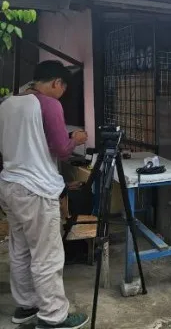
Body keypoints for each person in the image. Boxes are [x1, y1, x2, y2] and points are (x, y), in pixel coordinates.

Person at [0, 60, 89, 328]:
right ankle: (53, 316)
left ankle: (26, 306)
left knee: (20, 249)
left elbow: (24, 141)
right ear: (56, 83)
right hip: (37, 189)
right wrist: (78, 139)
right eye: (63, 89)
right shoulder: (49, 104)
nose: (62, 94)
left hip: (10, 185)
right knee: (47, 254)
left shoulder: (7, 104)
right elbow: (62, 149)